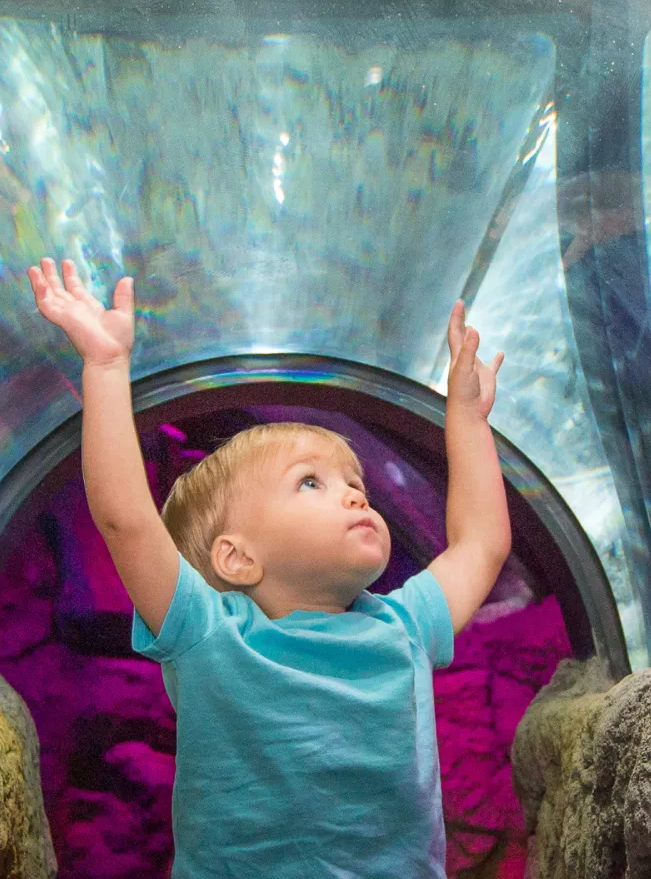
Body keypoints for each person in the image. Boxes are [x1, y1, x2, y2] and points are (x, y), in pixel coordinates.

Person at [27, 258, 510, 877]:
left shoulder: (405, 624)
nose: (356, 495)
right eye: (311, 482)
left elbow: (482, 544)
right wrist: (105, 367)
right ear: (237, 556)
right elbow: (126, 519)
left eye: (355, 482)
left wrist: (468, 420)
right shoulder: (208, 632)